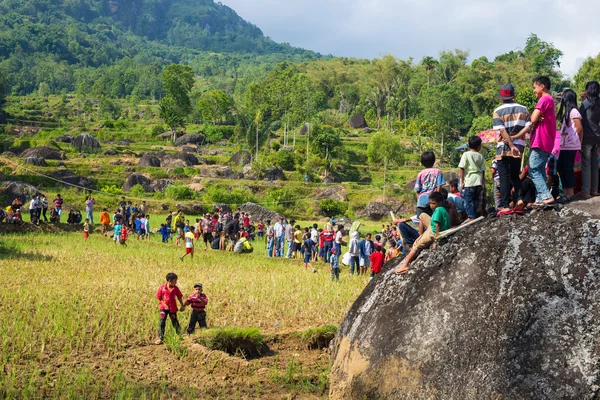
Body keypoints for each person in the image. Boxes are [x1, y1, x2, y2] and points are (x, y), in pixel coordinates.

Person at [492, 83, 531, 215]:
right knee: (515, 175)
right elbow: (528, 126)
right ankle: (519, 199)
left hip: (504, 148)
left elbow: (502, 130)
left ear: (501, 97)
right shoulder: (523, 109)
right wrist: (516, 138)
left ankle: (505, 205)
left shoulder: (497, 112)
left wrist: (510, 144)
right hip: (519, 146)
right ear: (513, 95)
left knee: (503, 176)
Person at [394, 192, 450, 274]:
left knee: (416, 245)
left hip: (434, 232)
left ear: (440, 202)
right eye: (430, 203)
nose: (431, 205)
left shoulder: (438, 210)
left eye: (433, 203)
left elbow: (437, 225)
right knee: (422, 215)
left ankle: (404, 265)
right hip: (434, 227)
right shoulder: (442, 209)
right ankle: (421, 235)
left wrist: (436, 238)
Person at [528, 76, 557, 207]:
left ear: (542, 86)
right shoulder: (550, 100)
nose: (534, 91)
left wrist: (534, 116)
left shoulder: (543, 99)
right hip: (546, 141)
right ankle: (540, 199)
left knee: (533, 169)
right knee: (539, 170)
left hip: (540, 140)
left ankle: (546, 195)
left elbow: (533, 119)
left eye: (535, 87)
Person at [556, 89, 583, 202]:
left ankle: (570, 192)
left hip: (571, 145)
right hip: (565, 145)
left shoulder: (574, 112)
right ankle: (566, 191)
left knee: (567, 168)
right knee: (561, 167)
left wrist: (579, 143)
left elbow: (579, 127)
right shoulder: (567, 112)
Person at [579, 81, 600, 198]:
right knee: (594, 164)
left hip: (586, 138)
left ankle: (586, 191)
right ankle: (594, 190)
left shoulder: (585, 104)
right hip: (597, 138)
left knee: (586, 164)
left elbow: (578, 120)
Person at [459, 136, 486, 222]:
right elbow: (483, 170)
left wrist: (462, 181)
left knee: (468, 200)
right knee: (476, 199)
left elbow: (462, 168)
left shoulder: (466, 154)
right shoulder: (480, 156)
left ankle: (471, 216)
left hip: (470, 181)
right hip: (478, 180)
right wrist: (483, 180)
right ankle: (476, 215)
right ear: (479, 146)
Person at [155, 272, 184, 345]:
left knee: (175, 321)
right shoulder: (162, 288)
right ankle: (160, 338)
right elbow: (159, 298)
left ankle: (180, 335)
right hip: (163, 308)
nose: (176, 282)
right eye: (175, 281)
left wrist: (182, 305)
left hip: (173, 308)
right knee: (162, 322)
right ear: (169, 281)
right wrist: (164, 305)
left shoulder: (175, 288)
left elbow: (179, 297)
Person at [414, 151, 445, 216]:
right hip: (433, 200)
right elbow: (439, 187)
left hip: (421, 200)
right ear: (434, 161)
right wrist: (438, 200)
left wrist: (419, 202)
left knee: (422, 220)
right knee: (433, 220)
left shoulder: (420, 174)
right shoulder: (438, 172)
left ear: (422, 162)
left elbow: (417, 190)